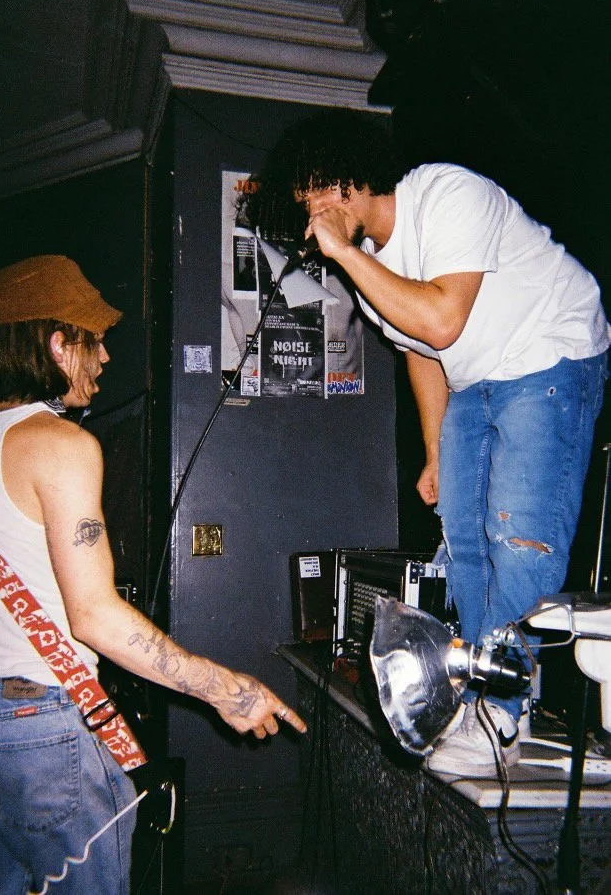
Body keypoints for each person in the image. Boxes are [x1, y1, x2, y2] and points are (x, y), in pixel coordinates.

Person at [246, 109, 610, 777]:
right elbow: (420, 352)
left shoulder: (444, 193)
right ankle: (480, 687)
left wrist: (346, 254)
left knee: (518, 537)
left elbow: (441, 318)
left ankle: (505, 705)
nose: (313, 217)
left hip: (551, 352)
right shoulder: (371, 270)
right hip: (478, 376)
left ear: (347, 179)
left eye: (317, 195)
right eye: (302, 208)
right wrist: (438, 455)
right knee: (463, 538)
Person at [0, 254, 307, 894]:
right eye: (96, 341)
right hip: (40, 734)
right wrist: (225, 690)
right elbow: (93, 615)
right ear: (59, 346)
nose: (105, 359)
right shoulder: (60, 446)